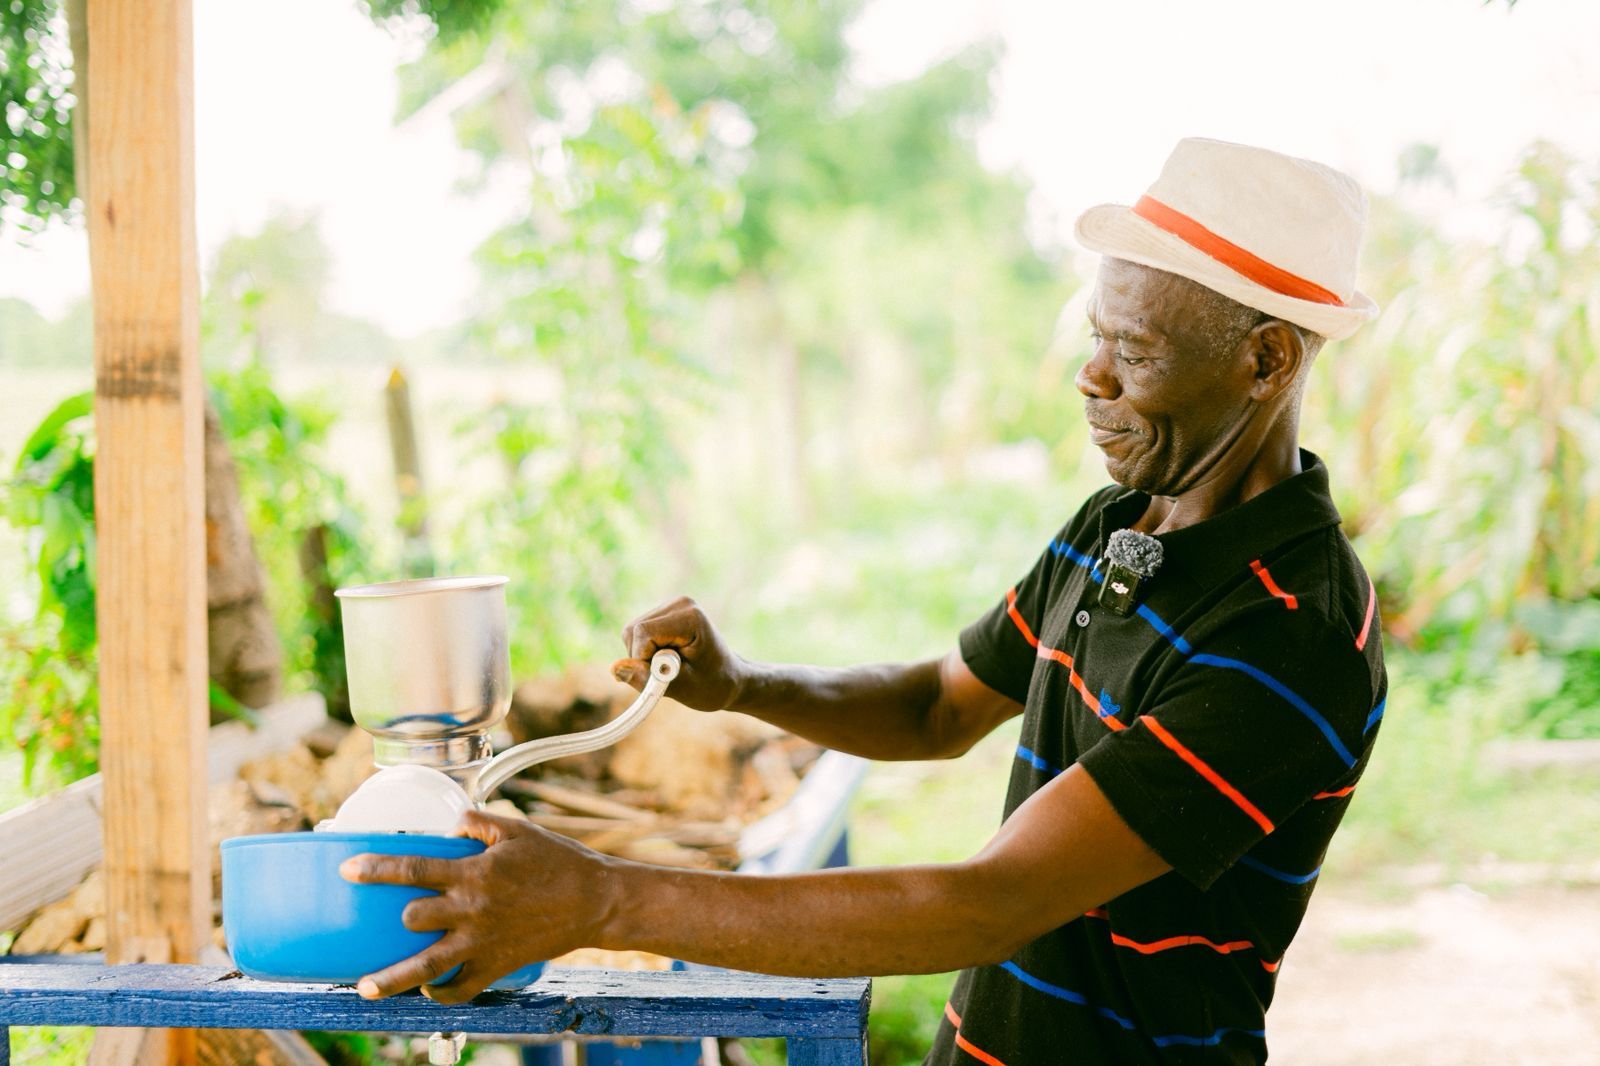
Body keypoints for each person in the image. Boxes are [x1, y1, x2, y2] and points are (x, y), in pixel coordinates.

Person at [341, 137, 1389, 1065]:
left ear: (1264, 359)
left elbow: (989, 903)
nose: (1089, 377)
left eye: (1137, 352)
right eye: (1096, 336)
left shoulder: (1289, 634)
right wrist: (743, 683)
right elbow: (937, 707)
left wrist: (602, 896)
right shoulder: (1125, 521)